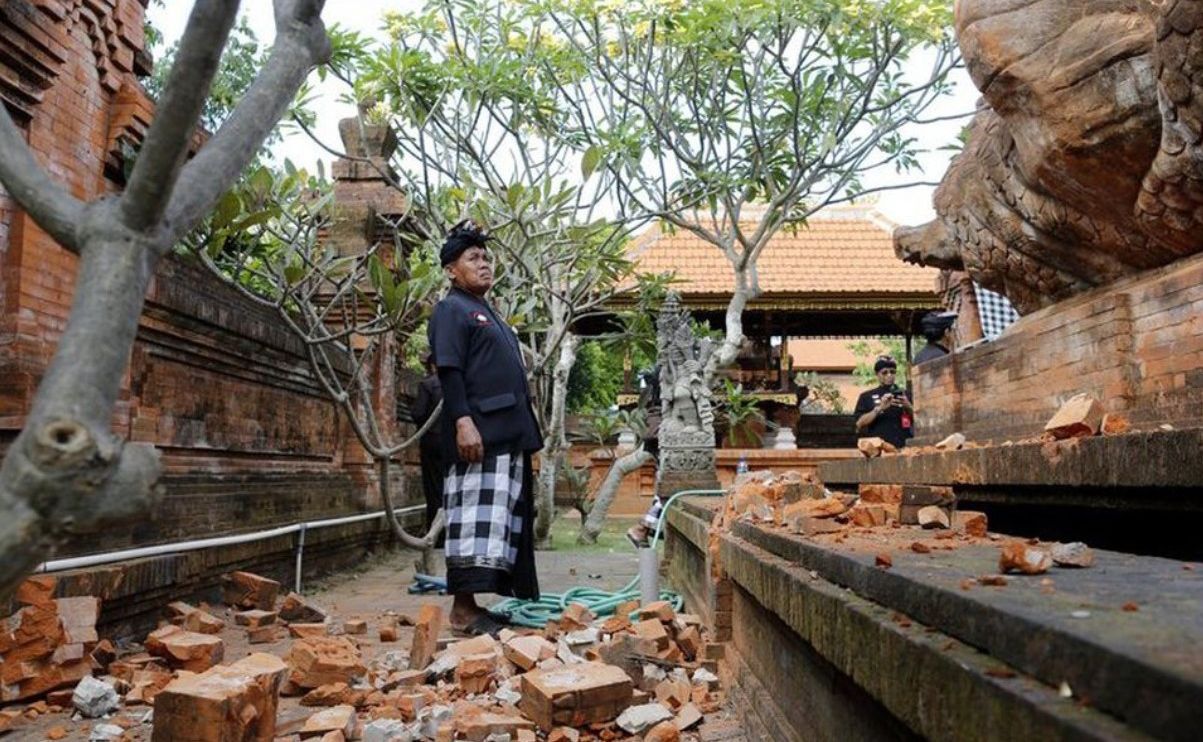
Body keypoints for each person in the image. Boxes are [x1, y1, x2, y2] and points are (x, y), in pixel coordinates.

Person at [428, 220, 543, 636]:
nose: (484, 264)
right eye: (472, 258)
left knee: (498, 520)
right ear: (451, 270)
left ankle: (476, 606)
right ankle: (462, 609)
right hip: (479, 433)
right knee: (473, 516)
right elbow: (450, 371)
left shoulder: (487, 313)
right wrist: (462, 422)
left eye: (486, 257)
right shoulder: (451, 310)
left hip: (506, 434)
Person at [410, 354, 444, 539]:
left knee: (433, 488)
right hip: (454, 442)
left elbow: (418, 413)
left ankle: (436, 534)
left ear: (432, 366)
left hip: (432, 441)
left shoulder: (428, 384)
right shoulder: (458, 384)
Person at [853, 356, 912, 449]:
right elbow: (859, 423)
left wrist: (908, 406)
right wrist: (879, 408)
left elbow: (922, 419)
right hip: (879, 448)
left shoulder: (906, 394)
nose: (889, 375)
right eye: (884, 372)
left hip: (905, 446)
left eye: (892, 372)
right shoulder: (866, 396)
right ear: (877, 374)